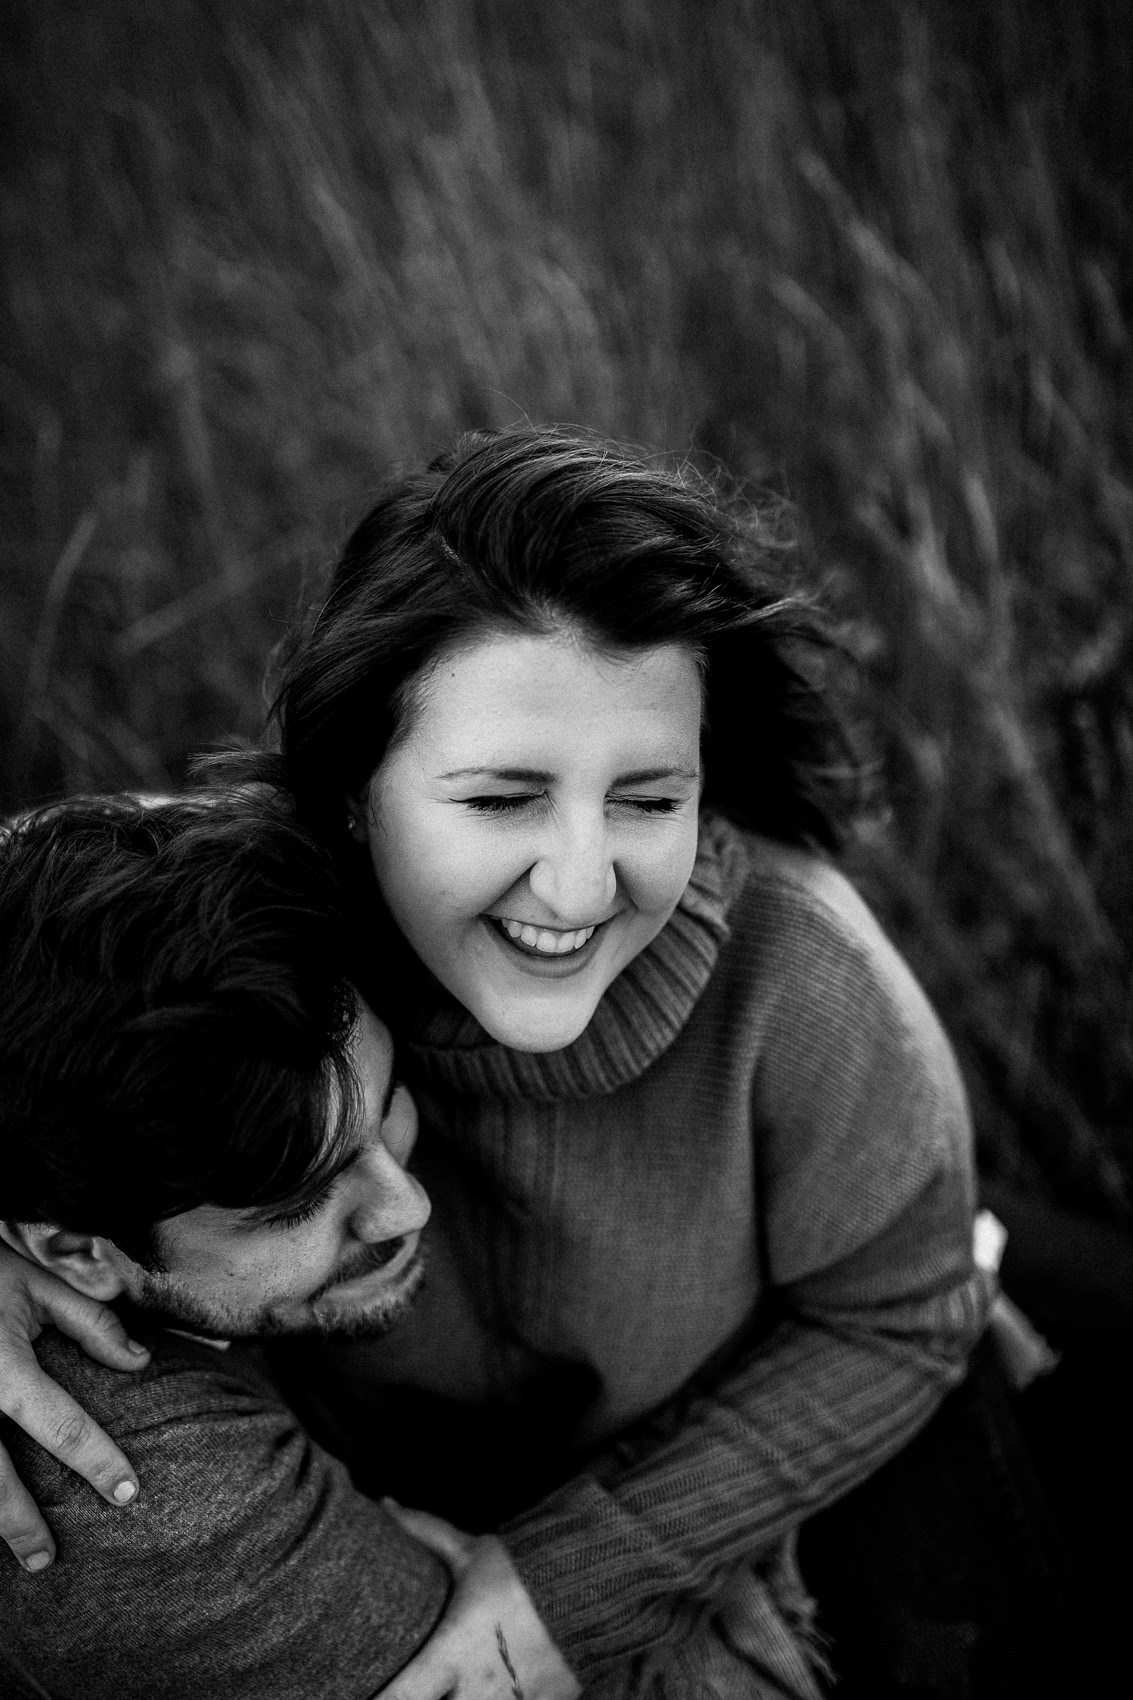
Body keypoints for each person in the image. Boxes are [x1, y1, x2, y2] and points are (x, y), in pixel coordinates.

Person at [0, 427, 993, 1696]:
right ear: (349, 792)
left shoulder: (807, 985)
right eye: (497, 798)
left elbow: (902, 1307)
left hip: (770, 1450)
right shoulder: (264, 909)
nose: (579, 885)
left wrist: (578, 1577)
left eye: (648, 797)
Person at [0, 791, 578, 1700]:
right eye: (298, 1199)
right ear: (77, 1254)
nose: (406, 1208)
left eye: (387, 1104)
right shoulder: (151, 1501)